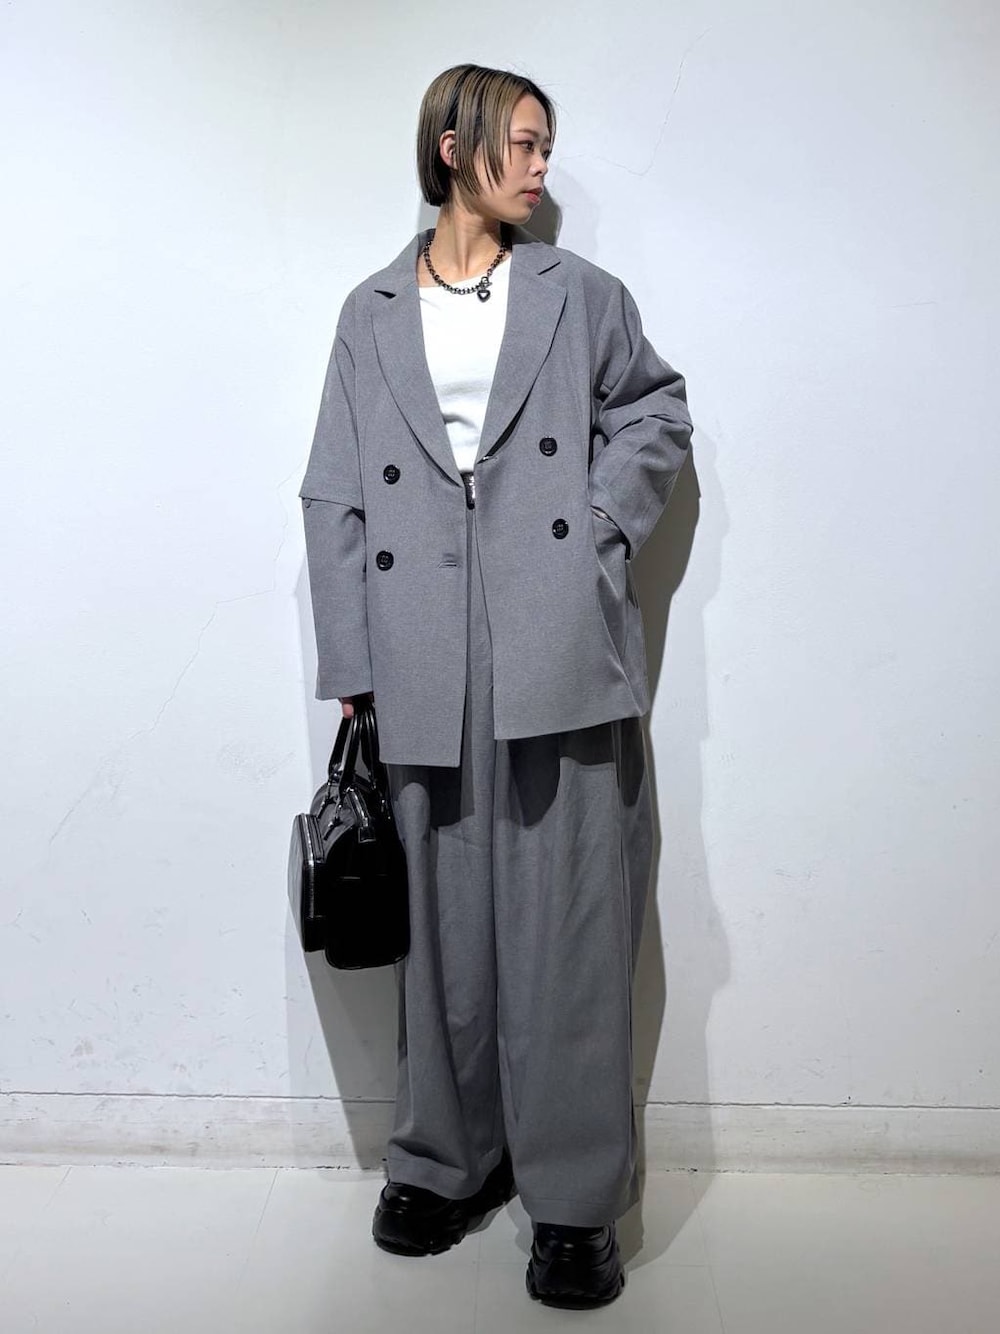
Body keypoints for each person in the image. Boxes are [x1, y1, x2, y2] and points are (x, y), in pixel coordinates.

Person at [298, 62, 693, 1310]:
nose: (538, 166)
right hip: (419, 641)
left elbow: (657, 413)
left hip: (555, 632)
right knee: (442, 929)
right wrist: (354, 663)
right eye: (520, 143)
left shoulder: (581, 295)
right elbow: (333, 491)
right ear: (453, 146)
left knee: (568, 925)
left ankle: (573, 1199)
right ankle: (445, 1157)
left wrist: (601, 531)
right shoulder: (369, 312)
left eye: (544, 145)